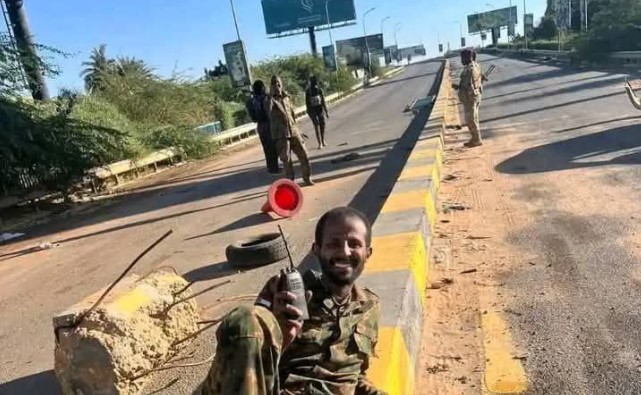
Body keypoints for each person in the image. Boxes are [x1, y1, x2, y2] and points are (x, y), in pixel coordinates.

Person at [196, 207, 387, 395]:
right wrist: (283, 336)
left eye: (354, 244)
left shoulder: (369, 306)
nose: (344, 252)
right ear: (317, 250)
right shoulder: (285, 293)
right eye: (333, 244)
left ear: (368, 253)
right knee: (247, 318)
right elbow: (248, 363)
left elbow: (354, 376)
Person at [268, 75, 314, 186]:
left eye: (279, 84)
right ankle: (291, 183)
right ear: (271, 86)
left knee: (304, 154)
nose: (277, 86)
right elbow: (268, 112)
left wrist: (299, 131)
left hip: (293, 131)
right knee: (286, 160)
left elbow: (292, 116)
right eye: (274, 84)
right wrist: (270, 96)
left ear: (281, 84)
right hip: (281, 135)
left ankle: (307, 177)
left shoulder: (286, 97)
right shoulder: (270, 100)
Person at [246, 80, 280, 174]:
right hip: (268, 124)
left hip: (260, 126)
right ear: (262, 88)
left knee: (266, 148)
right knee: (273, 147)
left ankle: (271, 167)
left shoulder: (252, 101)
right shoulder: (265, 98)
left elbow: (253, 118)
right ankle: (274, 167)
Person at [452, 49, 483, 148]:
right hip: (475, 96)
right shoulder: (476, 65)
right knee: (474, 118)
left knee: (470, 119)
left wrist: (458, 87)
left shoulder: (470, 69)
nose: (461, 60)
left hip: (470, 98)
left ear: (468, 57)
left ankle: (476, 139)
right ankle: (475, 138)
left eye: (462, 58)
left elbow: (468, 85)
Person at [305, 76, 329, 150]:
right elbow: (307, 103)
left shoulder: (319, 90)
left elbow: (323, 101)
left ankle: (322, 139)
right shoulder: (308, 91)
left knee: (323, 124)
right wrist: (310, 113)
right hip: (312, 110)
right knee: (316, 125)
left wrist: (326, 111)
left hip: (320, 109)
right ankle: (320, 143)